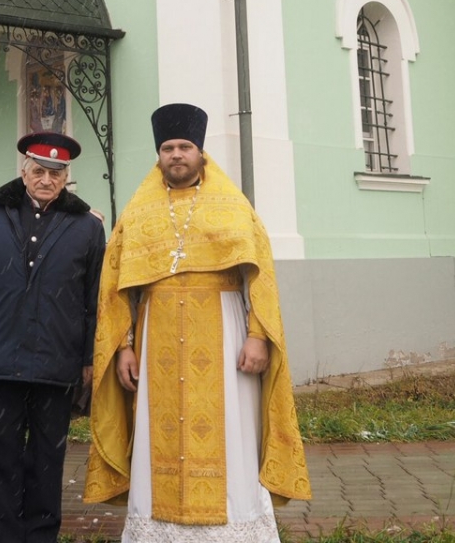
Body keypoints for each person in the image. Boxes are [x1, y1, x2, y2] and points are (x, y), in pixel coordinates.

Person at [85, 103, 310, 541]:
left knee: (232, 433)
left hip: (223, 332)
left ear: (200, 152)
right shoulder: (139, 211)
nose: (176, 155)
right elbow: (117, 287)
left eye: (184, 146)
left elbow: (259, 274)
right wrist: (125, 345)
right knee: (157, 434)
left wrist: (258, 336)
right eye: (168, 147)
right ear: (159, 155)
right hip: (157, 338)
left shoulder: (230, 204)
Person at [0, 131, 106, 543]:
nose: (46, 179)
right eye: (39, 170)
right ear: (23, 171)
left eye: (56, 173)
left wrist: (89, 359)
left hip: (58, 362)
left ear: (66, 176)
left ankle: (40, 535)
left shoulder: (87, 228)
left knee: (48, 458)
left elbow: (94, 301)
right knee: (0, 456)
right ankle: (4, 535)